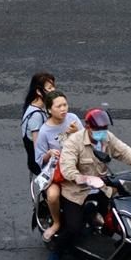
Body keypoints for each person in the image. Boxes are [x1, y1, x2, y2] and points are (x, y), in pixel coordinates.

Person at [42, 107, 131, 260]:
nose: (102, 133)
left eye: (105, 129)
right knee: (73, 228)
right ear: (88, 127)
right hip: (76, 191)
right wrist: (84, 179)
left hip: (103, 186)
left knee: (115, 216)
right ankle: (57, 251)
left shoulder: (106, 138)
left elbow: (124, 151)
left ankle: (103, 240)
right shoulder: (74, 142)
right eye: (98, 129)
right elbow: (67, 169)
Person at [35, 90, 83, 243]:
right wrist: (49, 153)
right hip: (56, 172)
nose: (63, 109)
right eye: (59, 106)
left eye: (65, 105)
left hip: (75, 166)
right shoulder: (44, 131)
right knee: (53, 196)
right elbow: (39, 159)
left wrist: (77, 133)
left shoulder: (73, 119)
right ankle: (56, 222)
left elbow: (86, 141)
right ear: (49, 110)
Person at [21, 71, 56, 175]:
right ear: (39, 92)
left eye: (53, 87)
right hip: (40, 163)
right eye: (49, 88)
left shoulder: (41, 106)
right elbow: (38, 149)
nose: (53, 90)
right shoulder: (36, 116)